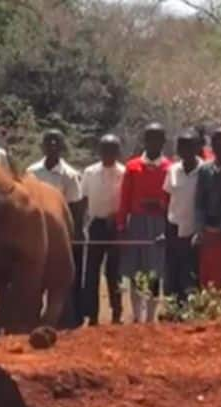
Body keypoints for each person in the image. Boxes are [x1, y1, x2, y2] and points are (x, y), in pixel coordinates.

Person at [26, 129, 85, 328]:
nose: (52, 145)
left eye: (56, 142)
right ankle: (30, 318)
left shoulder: (70, 175)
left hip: (59, 234)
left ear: (62, 147)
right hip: (34, 232)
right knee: (34, 276)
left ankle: (57, 321)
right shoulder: (31, 172)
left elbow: (76, 207)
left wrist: (74, 235)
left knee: (59, 277)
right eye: (48, 141)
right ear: (42, 146)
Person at [116, 122, 172, 323]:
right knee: (135, 269)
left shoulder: (169, 168)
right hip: (136, 224)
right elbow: (124, 198)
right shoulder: (132, 167)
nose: (154, 143)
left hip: (159, 223)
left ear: (163, 142)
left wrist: (160, 206)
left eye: (158, 139)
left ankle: (150, 316)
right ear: (144, 141)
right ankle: (136, 315)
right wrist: (121, 225)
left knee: (155, 270)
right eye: (150, 138)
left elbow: (172, 198)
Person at [81, 134, 125, 325]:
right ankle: (92, 315)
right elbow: (83, 200)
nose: (108, 154)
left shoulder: (124, 173)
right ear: (99, 151)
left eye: (112, 150)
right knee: (91, 271)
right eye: (104, 150)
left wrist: (118, 219)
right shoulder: (89, 172)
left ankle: (116, 313)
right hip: (96, 225)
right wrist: (81, 226)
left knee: (114, 272)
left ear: (117, 152)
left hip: (115, 226)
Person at [162, 129, 204, 315]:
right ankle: (172, 314)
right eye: (181, 146)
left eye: (189, 145)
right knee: (172, 276)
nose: (184, 150)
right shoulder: (172, 170)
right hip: (173, 229)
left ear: (197, 147)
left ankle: (189, 315)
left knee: (190, 277)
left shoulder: (205, 171)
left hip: (193, 231)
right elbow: (167, 201)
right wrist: (165, 231)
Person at [193, 126, 221, 291]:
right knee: (205, 276)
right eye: (215, 140)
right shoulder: (204, 170)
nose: (219, 144)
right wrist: (200, 230)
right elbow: (199, 202)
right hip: (207, 232)